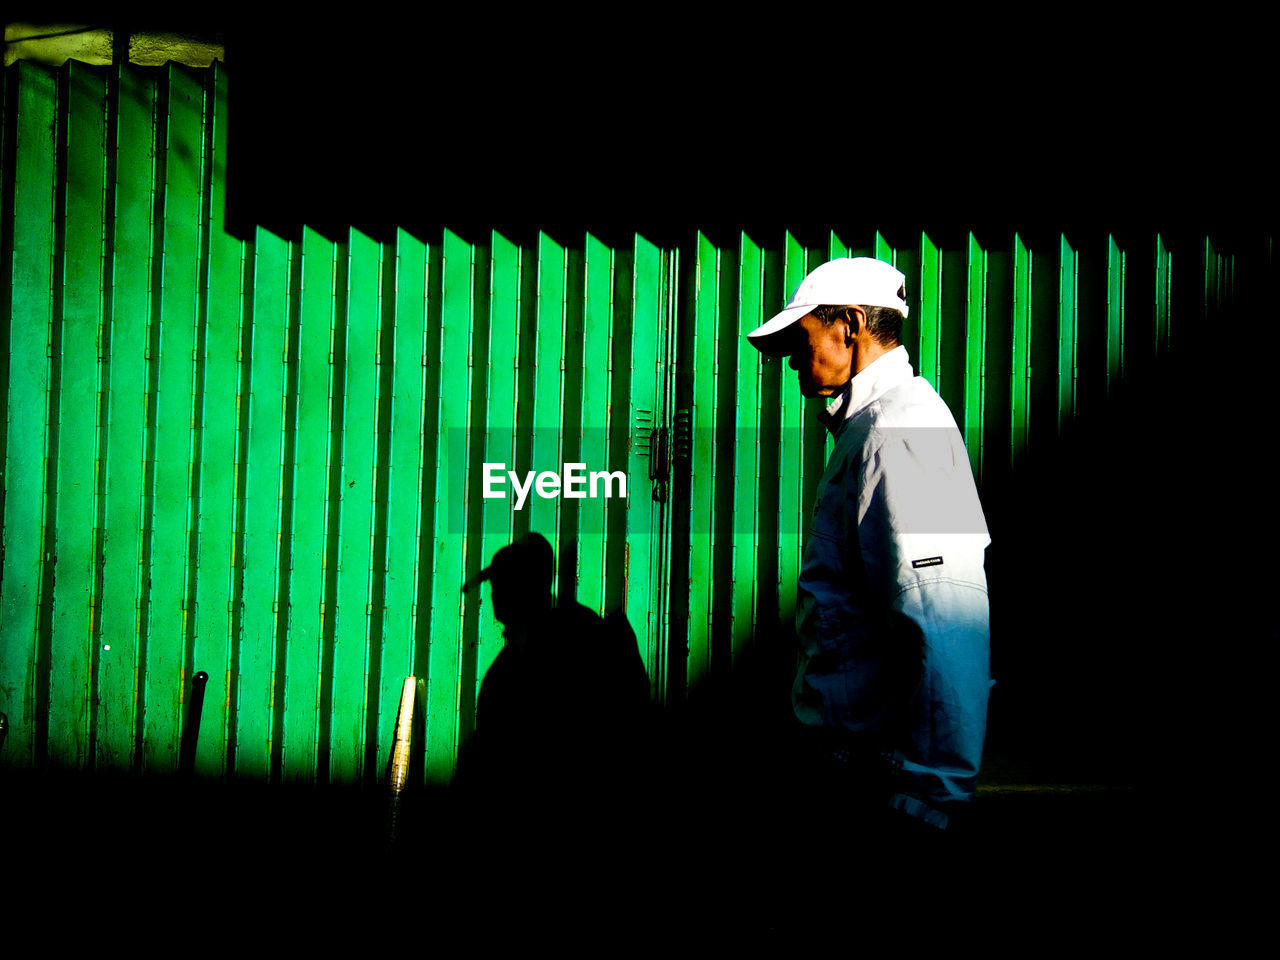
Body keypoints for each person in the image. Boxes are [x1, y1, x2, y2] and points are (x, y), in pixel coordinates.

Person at [747, 257, 991, 834]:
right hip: (853, 775)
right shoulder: (872, 425)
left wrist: (930, 797)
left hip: (881, 793)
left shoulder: (899, 430)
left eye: (799, 339)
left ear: (850, 325)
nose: (789, 360)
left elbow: (943, 612)